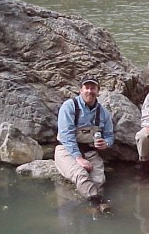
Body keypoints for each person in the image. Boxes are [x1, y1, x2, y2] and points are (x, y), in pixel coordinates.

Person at [55, 76, 114, 215]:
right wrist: (78, 158)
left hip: (90, 151)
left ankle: (93, 209)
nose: (90, 91)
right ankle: (98, 204)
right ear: (80, 90)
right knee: (80, 174)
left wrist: (106, 143)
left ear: (98, 91)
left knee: (99, 179)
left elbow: (110, 135)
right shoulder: (69, 106)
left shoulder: (104, 113)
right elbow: (66, 135)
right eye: (86, 88)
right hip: (66, 149)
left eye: (93, 88)